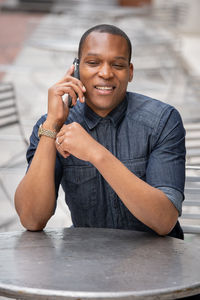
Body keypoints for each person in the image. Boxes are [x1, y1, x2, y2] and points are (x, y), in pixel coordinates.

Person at [14, 24, 186, 239]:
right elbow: (31, 218)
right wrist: (51, 126)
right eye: (93, 63)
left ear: (130, 72)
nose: (105, 73)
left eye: (118, 65)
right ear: (76, 69)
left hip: (158, 262)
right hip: (88, 259)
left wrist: (94, 153)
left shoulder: (163, 120)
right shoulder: (54, 126)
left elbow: (164, 220)